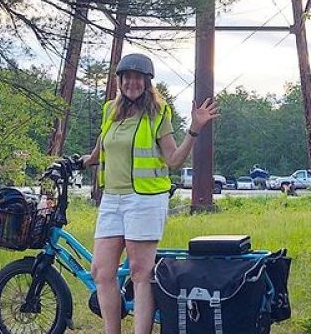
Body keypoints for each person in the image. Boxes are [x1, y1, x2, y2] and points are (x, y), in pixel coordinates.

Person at [77, 53, 219, 334]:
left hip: (145, 200)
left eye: (138, 78)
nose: (132, 82)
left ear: (147, 82)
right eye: (127, 77)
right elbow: (100, 150)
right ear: (119, 80)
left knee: (140, 273)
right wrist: (80, 160)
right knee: (101, 271)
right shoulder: (110, 110)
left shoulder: (157, 112)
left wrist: (194, 129)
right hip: (112, 200)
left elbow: (174, 160)